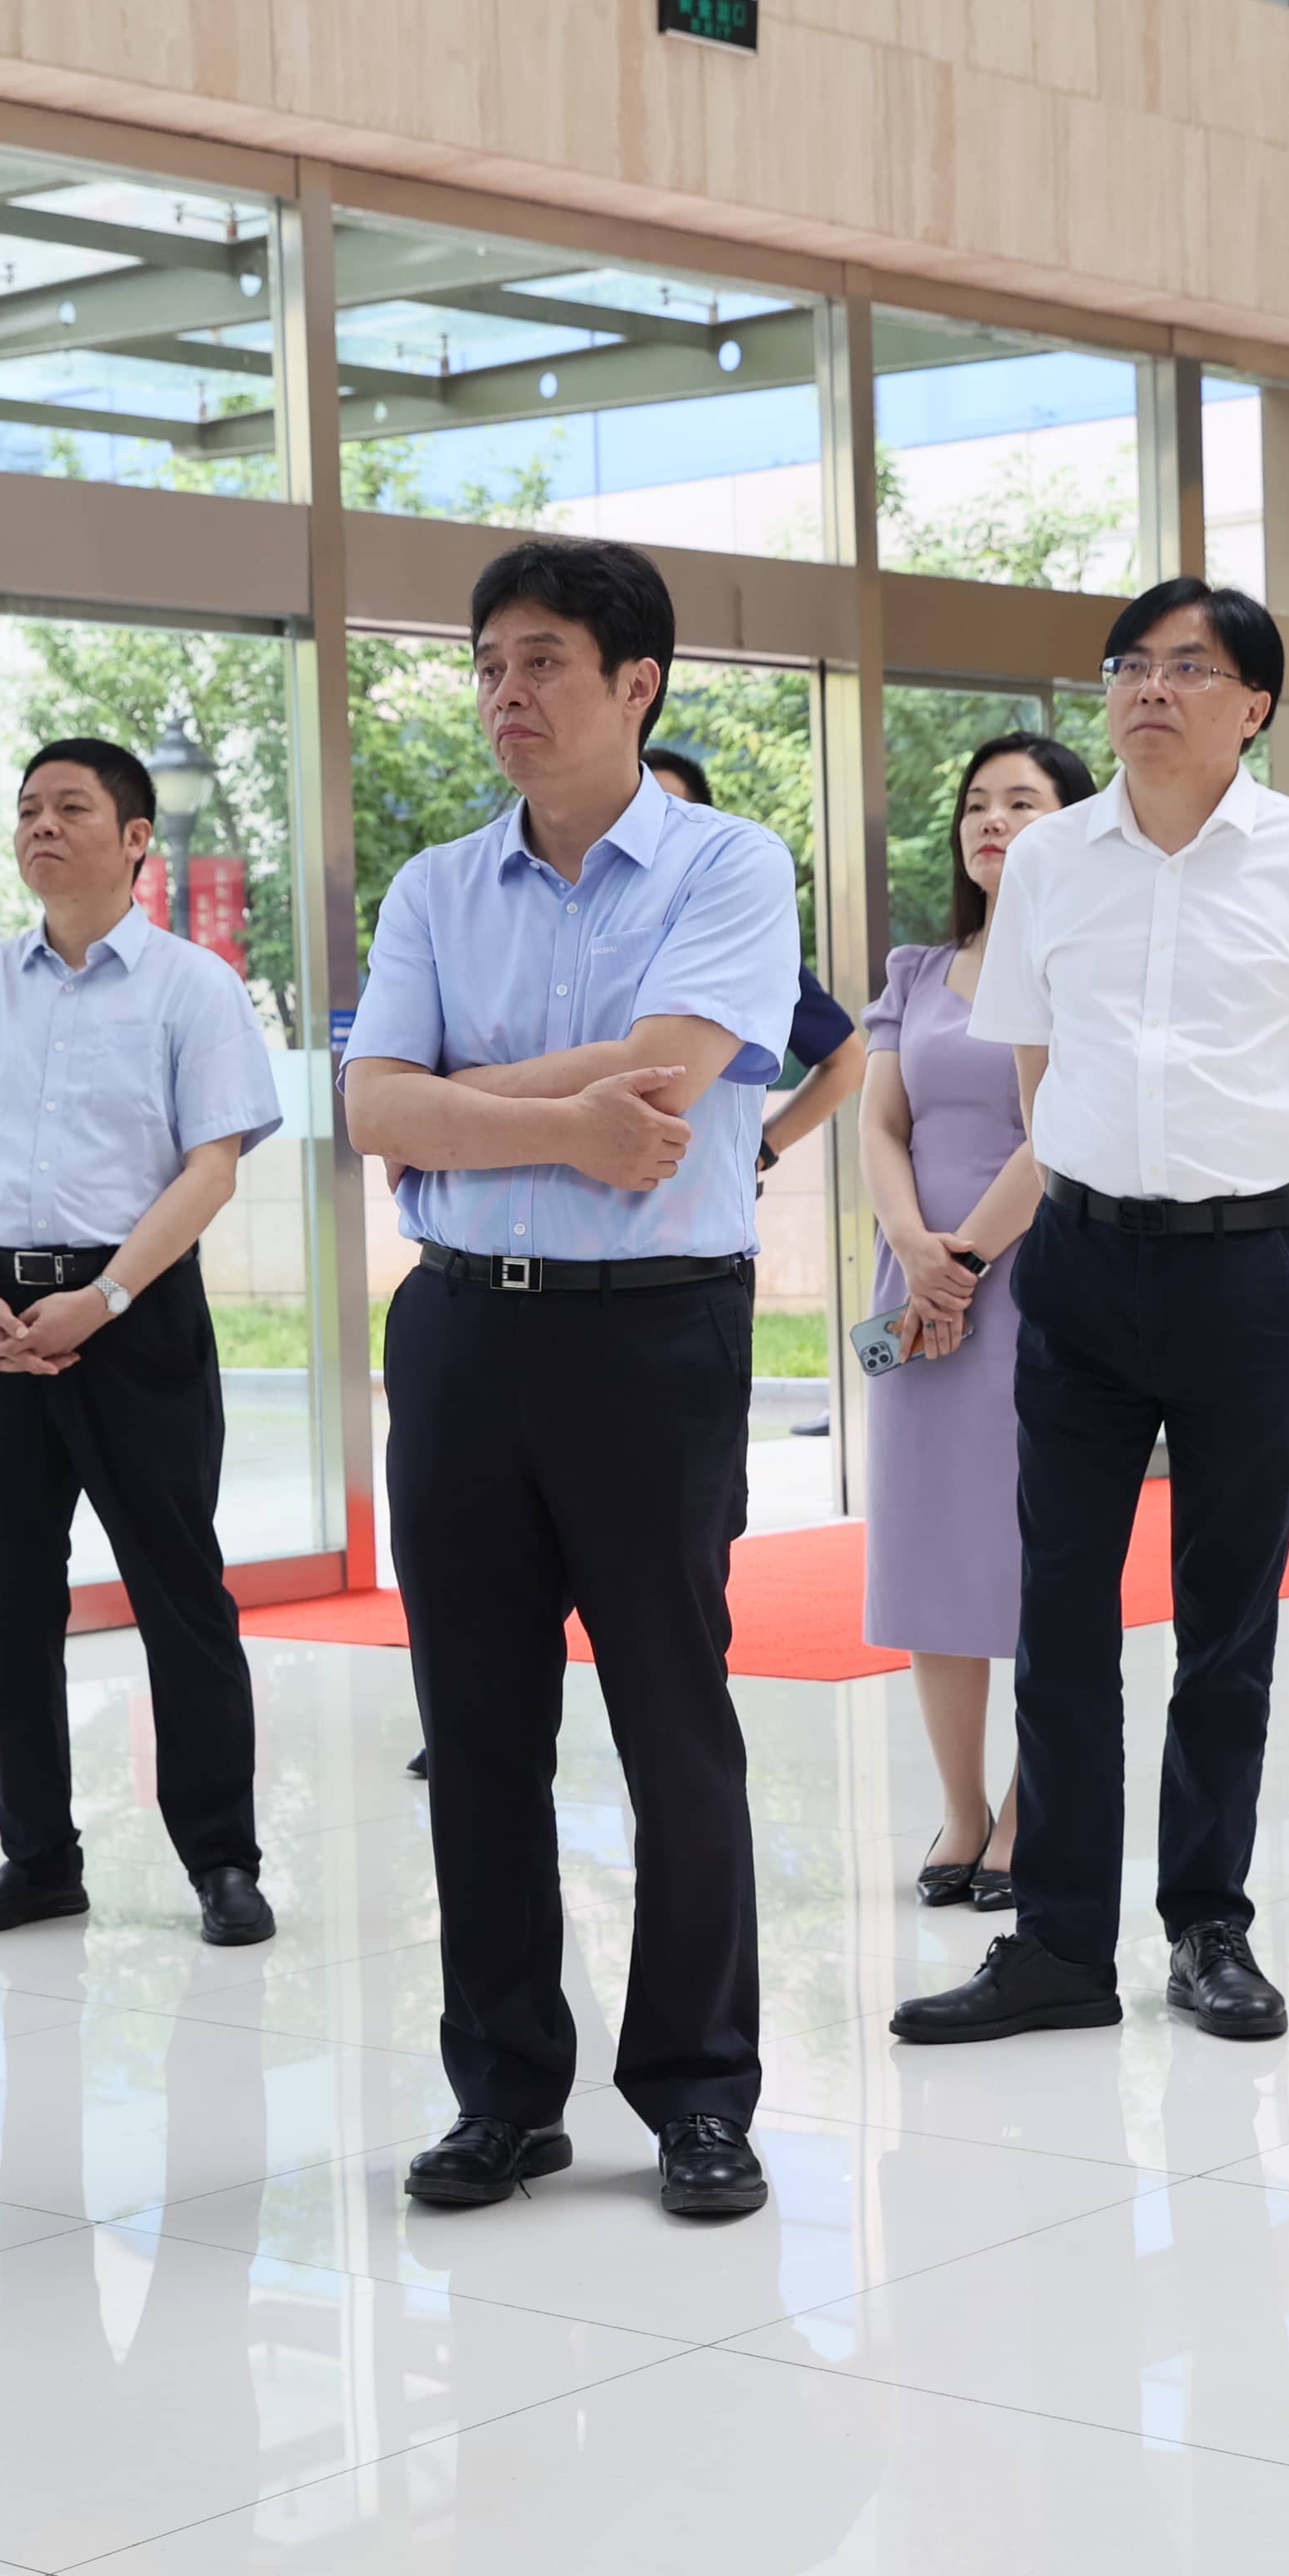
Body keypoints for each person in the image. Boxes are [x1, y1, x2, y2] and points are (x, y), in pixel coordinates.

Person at [345, 535, 796, 2222]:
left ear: (635, 682)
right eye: (487, 664)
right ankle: (502, 2091)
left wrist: (459, 1098)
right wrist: (553, 1120)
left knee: (673, 1720)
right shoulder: (432, 887)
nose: (505, 693)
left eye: (541, 659)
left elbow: (670, 1076)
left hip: (651, 1335)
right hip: (462, 1330)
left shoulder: (730, 863)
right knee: (475, 1729)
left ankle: (697, 2090)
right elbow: (369, 1107)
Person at [887, 580, 1289, 2051]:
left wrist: (1253, 1210)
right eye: (1130, 665)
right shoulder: (1051, 860)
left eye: (1189, 667)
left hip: (1246, 1272)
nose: (1150, 689)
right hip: (1082, 1266)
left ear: (1255, 706)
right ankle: (1057, 1942)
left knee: (1226, 1618)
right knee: (1059, 1612)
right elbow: (1036, 1072)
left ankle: (1207, 1925)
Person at [0, 738, 290, 1951]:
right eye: (27, 808)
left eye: (71, 806)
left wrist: (105, 1298)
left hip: (135, 1317)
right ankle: (36, 1857)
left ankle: (221, 1858)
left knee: (179, 1590)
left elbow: (210, 1169)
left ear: (135, 840)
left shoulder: (193, 986)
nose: (42, 825)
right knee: (10, 1596)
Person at [861, 730, 1092, 1908]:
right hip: (915, 1292)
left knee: (1031, 1554)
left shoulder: (1083, 968)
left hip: (1029, 1282)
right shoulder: (916, 970)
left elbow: (1058, 1134)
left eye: (1022, 801)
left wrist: (962, 1260)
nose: (991, 820)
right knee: (928, 1551)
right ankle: (962, 1807)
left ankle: (1025, 1806)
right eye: (976, 803)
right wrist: (914, 1249)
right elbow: (879, 1123)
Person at [643, 746, 868, 1180]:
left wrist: (761, 1150)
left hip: (704, 1204)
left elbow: (847, 1062)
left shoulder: (740, 944)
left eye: (669, 817)